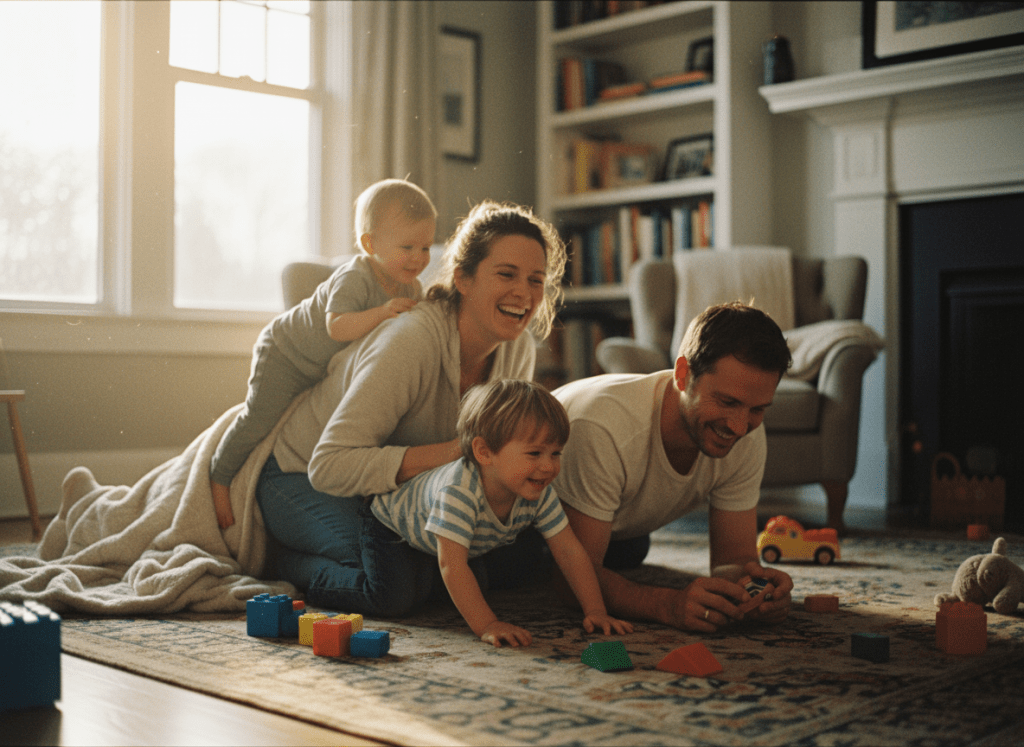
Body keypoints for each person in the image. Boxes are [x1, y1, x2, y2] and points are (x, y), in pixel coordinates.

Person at [254, 200, 568, 617]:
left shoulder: (518, 350)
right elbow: (329, 465)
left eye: (536, 280)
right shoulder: (411, 341)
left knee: (510, 547)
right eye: (506, 274)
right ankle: (281, 562)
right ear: (463, 278)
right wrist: (456, 451)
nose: (524, 294)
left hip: (391, 492)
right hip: (300, 476)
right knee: (394, 584)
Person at [552, 301, 796, 632]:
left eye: (757, 409)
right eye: (727, 402)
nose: (740, 427)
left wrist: (756, 590)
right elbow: (571, 582)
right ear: (683, 375)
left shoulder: (747, 432)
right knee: (516, 567)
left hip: (620, 523)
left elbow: (733, 561)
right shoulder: (604, 427)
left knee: (629, 550)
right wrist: (666, 605)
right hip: (507, 515)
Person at [211, 178, 437, 528]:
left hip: (324, 369)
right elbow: (338, 327)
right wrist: (383, 311)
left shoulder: (412, 285)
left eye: (425, 248)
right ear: (369, 243)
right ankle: (219, 478)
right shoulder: (356, 276)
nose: (418, 258)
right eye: (407, 247)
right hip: (287, 354)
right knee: (258, 419)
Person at [370, 379, 632, 646]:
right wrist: (488, 625)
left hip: (445, 543)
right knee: (394, 597)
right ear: (484, 452)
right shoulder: (459, 492)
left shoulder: (538, 490)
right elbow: (452, 564)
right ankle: (325, 572)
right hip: (387, 526)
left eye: (555, 453)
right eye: (534, 453)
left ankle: (426, 573)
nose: (548, 466)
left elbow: (568, 549)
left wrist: (596, 611)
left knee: (474, 585)